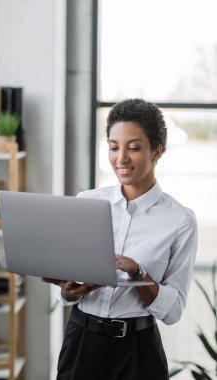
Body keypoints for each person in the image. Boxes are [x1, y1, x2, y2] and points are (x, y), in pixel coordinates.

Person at [42, 98, 198, 380]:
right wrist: (67, 291)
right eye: (114, 147)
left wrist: (138, 272)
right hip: (81, 341)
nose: (121, 158)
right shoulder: (86, 202)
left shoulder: (180, 220)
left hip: (137, 351)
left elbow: (173, 312)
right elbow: (65, 289)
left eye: (134, 148)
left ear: (157, 152)